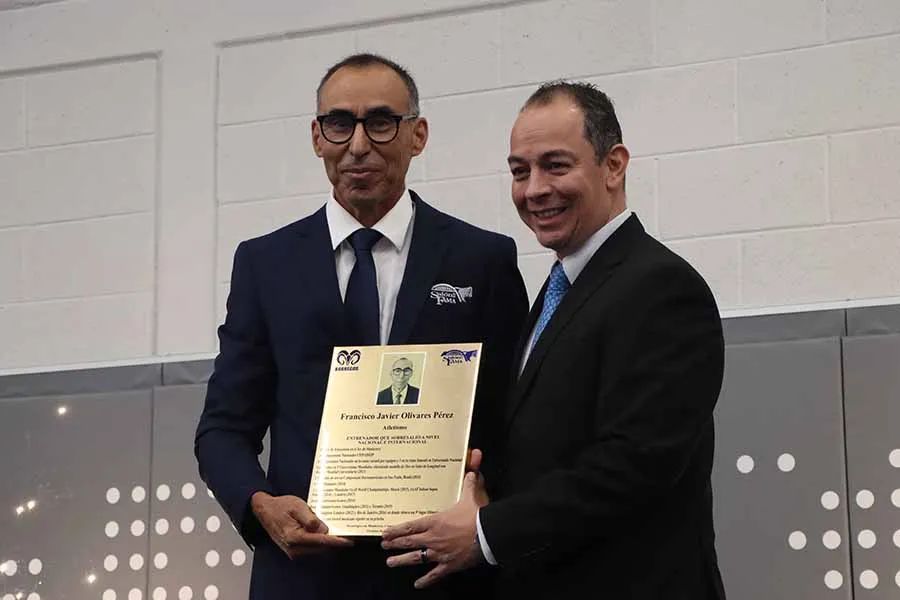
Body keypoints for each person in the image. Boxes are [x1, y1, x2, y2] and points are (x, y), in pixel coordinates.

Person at [194, 53, 529, 600]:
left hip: (442, 574)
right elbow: (223, 429)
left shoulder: (481, 259)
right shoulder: (264, 264)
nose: (357, 144)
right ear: (316, 136)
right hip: (304, 577)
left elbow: (514, 421)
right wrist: (260, 506)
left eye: (380, 121)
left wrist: (489, 500)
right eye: (339, 123)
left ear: (417, 135)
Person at [382, 81, 727, 599]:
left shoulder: (662, 287)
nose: (534, 189)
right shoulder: (560, 287)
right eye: (520, 171)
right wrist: (474, 482)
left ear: (614, 165)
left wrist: (484, 531)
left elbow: (634, 463)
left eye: (556, 165)